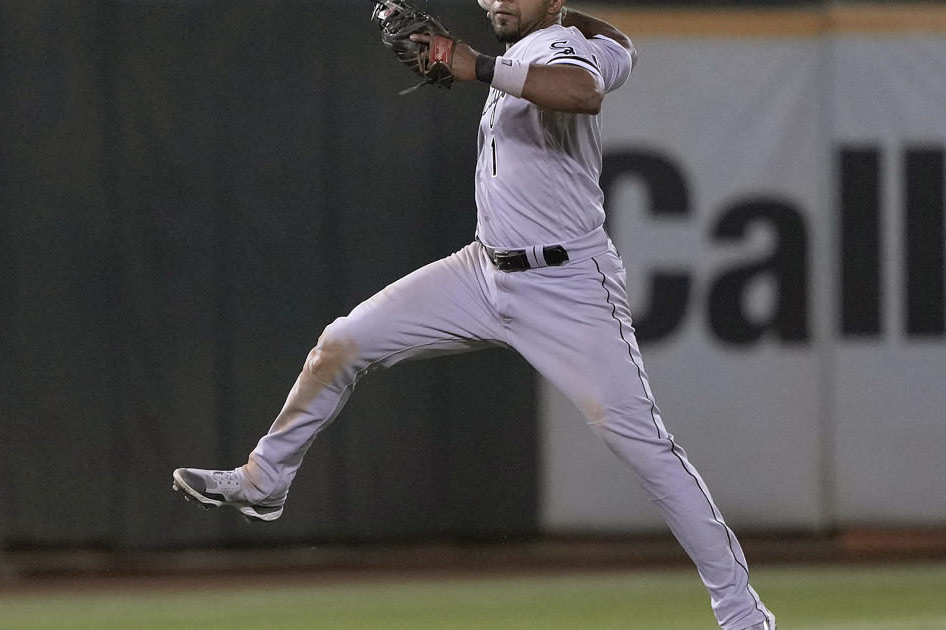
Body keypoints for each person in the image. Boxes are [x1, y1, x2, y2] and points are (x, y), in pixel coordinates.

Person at [172, 1, 775, 628]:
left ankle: (742, 612)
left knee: (643, 446)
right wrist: (525, 38)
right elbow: (622, 42)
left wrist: (475, 63)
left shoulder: (558, 52)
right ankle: (266, 477)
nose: (497, 1)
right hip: (481, 272)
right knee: (342, 343)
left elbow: (582, 91)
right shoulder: (565, 43)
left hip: (569, 287)